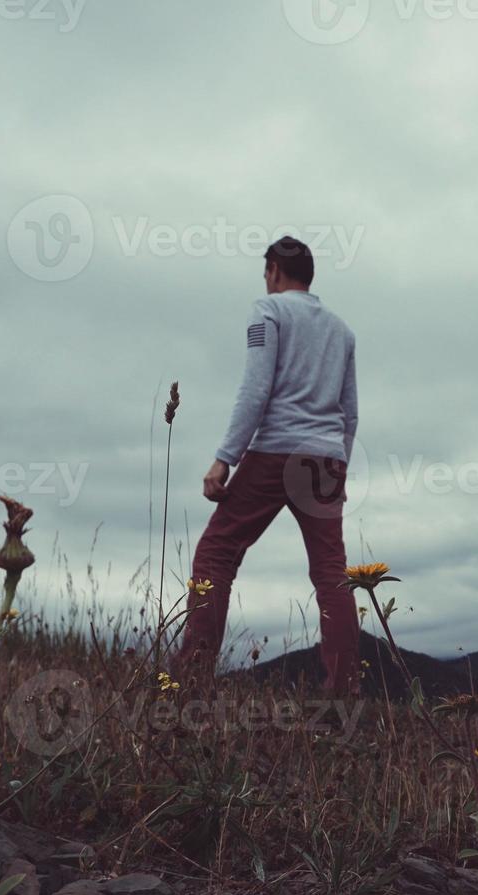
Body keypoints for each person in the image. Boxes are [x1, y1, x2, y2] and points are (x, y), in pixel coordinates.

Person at [171, 236, 360, 694]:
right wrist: (339, 468)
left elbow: (256, 389)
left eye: (266, 272)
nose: (265, 281)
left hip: (276, 451)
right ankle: (343, 692)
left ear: (274, 269)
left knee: (216, 553)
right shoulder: (342, 331)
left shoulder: (268, 311)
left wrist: (224, 460)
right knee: (332, 575)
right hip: (326, 459)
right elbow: (349, 412)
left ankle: (189, 682)